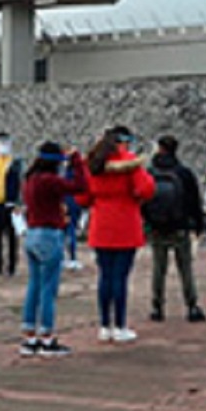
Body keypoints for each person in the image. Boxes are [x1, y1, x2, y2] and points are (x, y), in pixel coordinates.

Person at [79, 127, 156, 341]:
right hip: (126, 224)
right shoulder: (129, 161)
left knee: (105, 276)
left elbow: (83, 198)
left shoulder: (92, 163)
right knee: (120, 277)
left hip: (101, 224)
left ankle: (105, 326)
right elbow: (146, 189)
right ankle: (120, 325)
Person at [18, 142, 88, 357]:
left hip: (32, 233)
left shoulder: (30, 180)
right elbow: (80, 186)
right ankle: (47, 338)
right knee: (49, 288)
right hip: (49, 234)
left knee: (34, 285)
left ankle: (29, 336)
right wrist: (76, 160)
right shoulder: (50, 181)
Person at [145, 135, 206, 321]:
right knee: (185, 267)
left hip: (157, 226)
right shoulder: (184, 173)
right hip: (180, 226)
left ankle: (157, 306)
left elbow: (143, 199)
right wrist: (198, 224)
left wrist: (147, 221)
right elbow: (195, 201)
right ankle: (192, 305)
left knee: (159, 268)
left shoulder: (150, 172)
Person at [0, 132, 23, 277]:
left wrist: (15, 201)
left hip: (8, 204)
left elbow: (17, 181)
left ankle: (12, 265)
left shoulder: (14, 162)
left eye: (3, 143)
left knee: (11, 236)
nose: (0, 146)